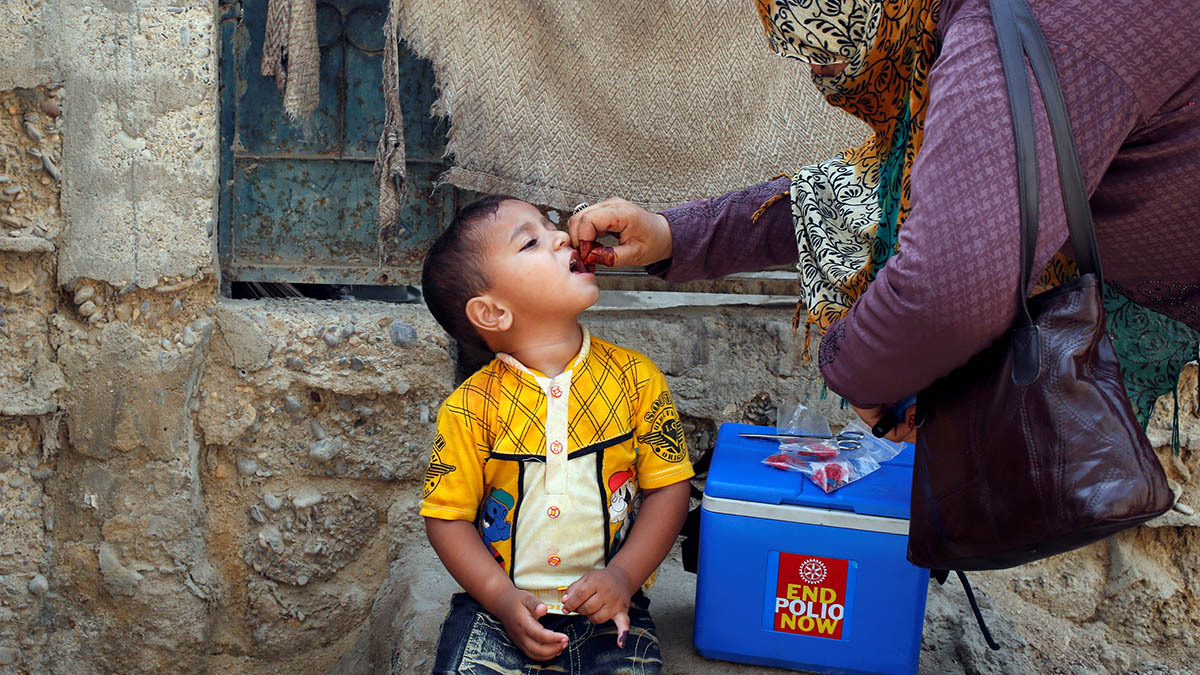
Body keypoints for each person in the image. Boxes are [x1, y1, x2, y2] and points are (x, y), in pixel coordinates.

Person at [568, 0, 1200, 441]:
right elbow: (879, 192)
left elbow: (948, 286)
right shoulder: (977, 37)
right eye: (811, 64)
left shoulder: (1019, 32)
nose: (834, 87)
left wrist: (860, 373)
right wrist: (675, 235)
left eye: (841, 62)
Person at [419, 195, 694, 673]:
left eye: (551, 226)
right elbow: (447, 518)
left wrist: (624, 578)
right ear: (492, 313)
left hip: (613, 607)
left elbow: (669, 487)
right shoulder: (469, 408)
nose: (562, 236)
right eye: (531, 241)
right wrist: (501, 599)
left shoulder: (636, 379)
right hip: (496, 613)